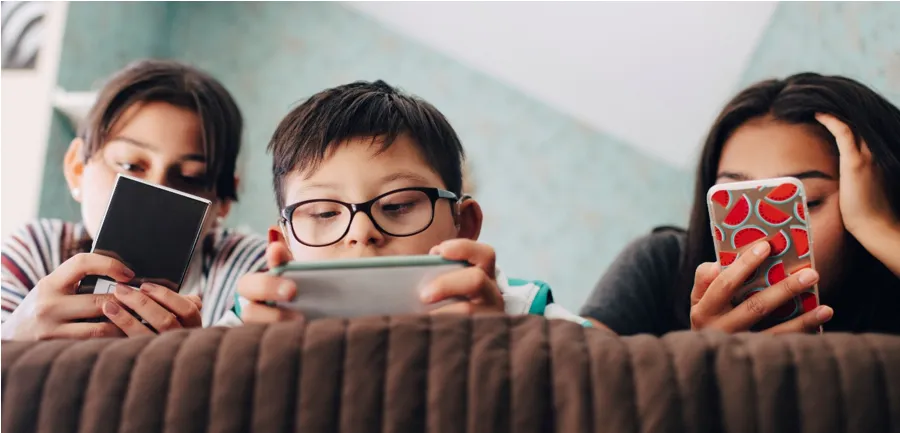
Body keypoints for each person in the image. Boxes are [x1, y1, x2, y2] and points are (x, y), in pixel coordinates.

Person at [224, 80, 589, 326]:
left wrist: (506, 343)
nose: (362, 232)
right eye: (323, 212)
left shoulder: (523, 311)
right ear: (282, 244)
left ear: (464, 224)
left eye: (398, 205)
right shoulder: (254, 319)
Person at [580, 73, 900, 335]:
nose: (763, 240)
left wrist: (876, 227)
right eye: (733, 201)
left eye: (806, 201)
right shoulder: (661, 265)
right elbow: (568, 386)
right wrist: (705, 363)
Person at [1, 60, 267, 340]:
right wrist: (13, 340)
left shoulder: (250, 274)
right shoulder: (36, 252)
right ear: (77, 168)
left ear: (223, 201)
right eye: (129, 166)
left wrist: (188, 362)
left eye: (190, 178)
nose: (155, 193)